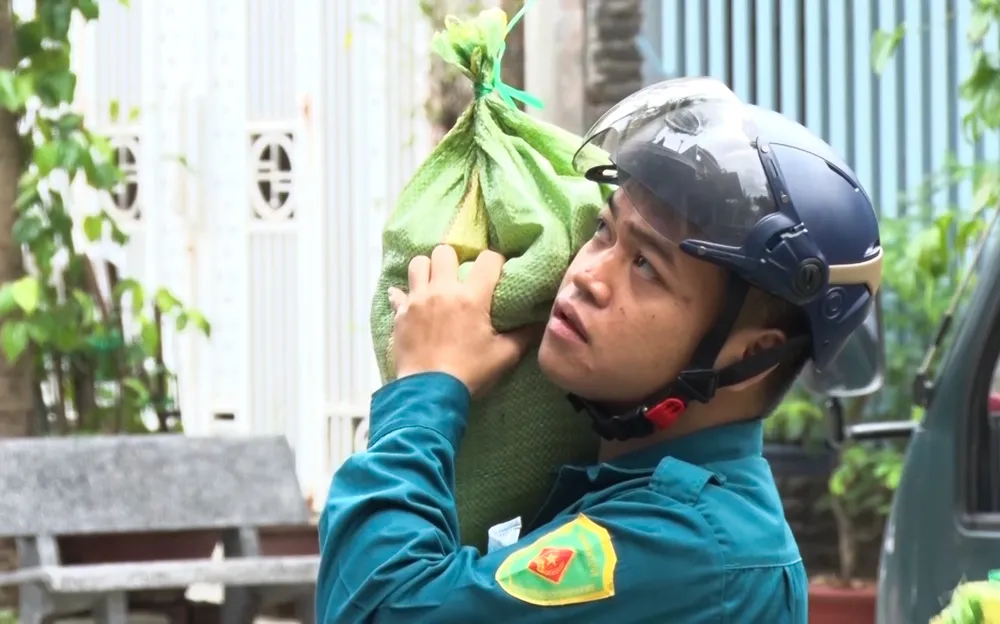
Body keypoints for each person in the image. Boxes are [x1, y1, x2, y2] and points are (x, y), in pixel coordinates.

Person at [315, 77, 882, 623]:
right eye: (605, 231)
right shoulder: (621, 485)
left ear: (748, 355)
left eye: (646, 266)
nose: (588, 274)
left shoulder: (692, 548)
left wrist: (425, 388)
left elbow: (381, 610)